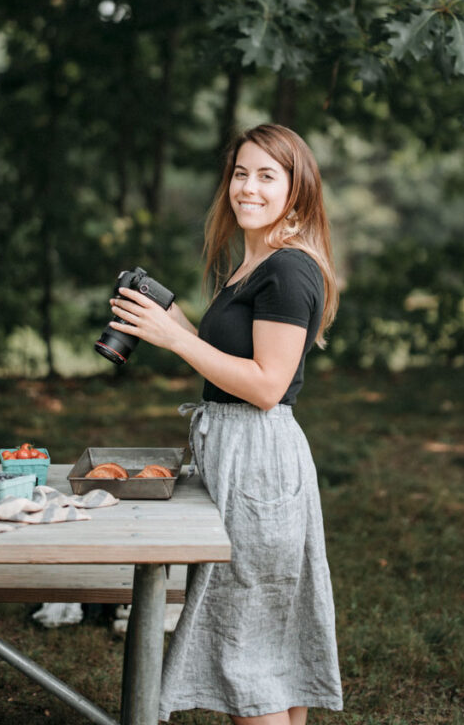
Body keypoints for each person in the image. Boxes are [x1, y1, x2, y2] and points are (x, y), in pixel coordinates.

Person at [109, 123, 343, 725]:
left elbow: (266, 386)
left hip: (259, 464)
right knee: (270, 649)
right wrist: (169, 321)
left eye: (267, 176)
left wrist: (175, 342)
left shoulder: (288, 271)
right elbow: (229, 358)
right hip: (244, 455)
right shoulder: (255, 264)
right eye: (241, 173)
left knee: (245, 657)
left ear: (297, 189)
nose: (248, 188)